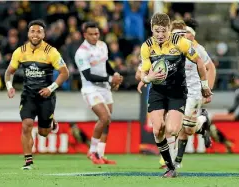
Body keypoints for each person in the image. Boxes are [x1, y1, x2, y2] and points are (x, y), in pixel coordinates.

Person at [140, 13, 212, 178]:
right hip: (157, 91)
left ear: (169, 30)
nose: (160, 35)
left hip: (177, 91)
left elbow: (200, 62)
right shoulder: (146, 46)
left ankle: (197, 122)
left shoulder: (181, 43)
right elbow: (144, 72)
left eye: (163, 31)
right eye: (157, 31)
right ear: (152, 29)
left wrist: (205, 86)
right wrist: (147, 78)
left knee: (172, 130)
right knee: (158, 130)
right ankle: (170, 167)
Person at [4, 20, 70, 170]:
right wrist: (9, 87)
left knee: (44, 133)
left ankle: (51, 123)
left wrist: (51, 88)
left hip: (47, 96)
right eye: (32, 31)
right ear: (28, 33)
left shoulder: (51, 52)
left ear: (44, 34)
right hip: (28, 95)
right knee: (26, 125)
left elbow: (64, 73)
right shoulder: (20, 51)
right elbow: (9, 72)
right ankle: (28, 162)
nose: (35, 34)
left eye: (38, 31)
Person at [169, 19, 216, 169]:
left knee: (186, 129)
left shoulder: (197, 49)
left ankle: (176, 161)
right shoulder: (167, 48)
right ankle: (202, 122)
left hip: (194, 92)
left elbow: (211, 68)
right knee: (180, 127)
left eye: (186, 33)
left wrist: (207, 89)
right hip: (177, 92)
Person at [74, 22, 123, 165]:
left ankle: (100, 155)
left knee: (107, 121)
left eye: (97, 34)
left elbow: (105, 64)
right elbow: (88, 76)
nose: (95, 37)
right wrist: (110, 78)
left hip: (105, 88)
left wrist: (115, 74)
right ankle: (92, 151)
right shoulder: (81, 52)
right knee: (104, 117)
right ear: (85, 35)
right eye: (91, 34)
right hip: (91, 89)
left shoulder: (102, 45)